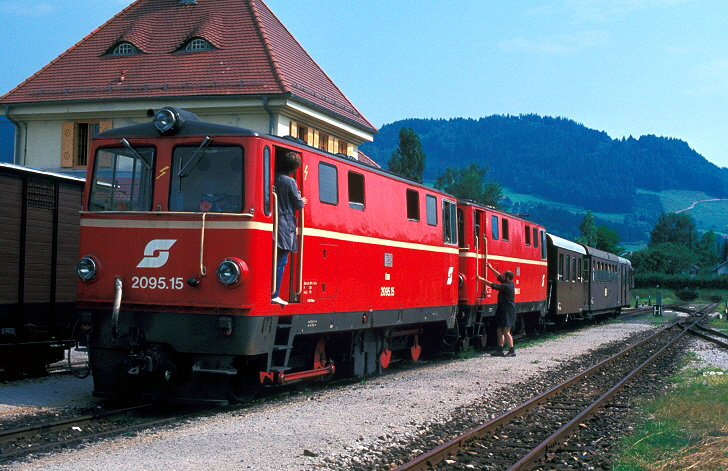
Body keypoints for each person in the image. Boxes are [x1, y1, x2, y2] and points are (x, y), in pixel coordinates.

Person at [272, 151, 307, 306]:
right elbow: (298, 204)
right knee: (281, 261)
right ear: (294, 169)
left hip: (273, 222)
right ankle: (275, 293)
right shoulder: (290, 182)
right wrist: (302, 200)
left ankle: (272, 291)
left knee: (273, 260)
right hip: (285, 224)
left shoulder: (273, 178)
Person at [483, 261, 516, 357]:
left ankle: (512, 351)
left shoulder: (507, 286)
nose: (502, 276)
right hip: (502, 310)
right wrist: (490, 267)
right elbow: (499, 277)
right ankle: (500, 350)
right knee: (499, 330)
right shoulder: (507, 283)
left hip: (508, 311)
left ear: (507, 278)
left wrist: (481, 279)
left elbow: (492, 285)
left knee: (506, 331)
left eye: (504, 275)